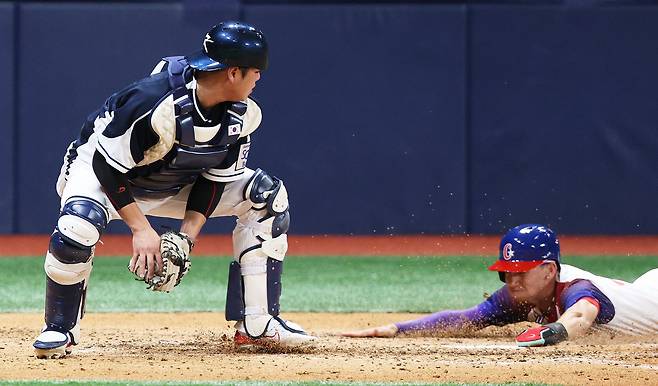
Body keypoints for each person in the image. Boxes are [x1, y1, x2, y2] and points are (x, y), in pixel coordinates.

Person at [33, 21, 315, 359]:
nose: (259, 78)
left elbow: (214, 180)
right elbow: (107, 168)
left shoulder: (244, 115)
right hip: (100, 168)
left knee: (266, 197)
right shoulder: (154, 103)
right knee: (78, 223)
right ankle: (59, 328)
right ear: (234, 72)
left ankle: (258, 324)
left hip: (172, 179)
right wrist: (141, 229)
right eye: (256, 71)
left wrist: (185, 238)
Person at [343, 224, 658, 346]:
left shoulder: (575, 288)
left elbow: (579, 318)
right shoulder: (518, 296)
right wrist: (398, 329)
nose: (512, 279)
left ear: (549, 270)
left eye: (521, 271)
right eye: (507, 271)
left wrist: (549, 334)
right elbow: (466, 320)